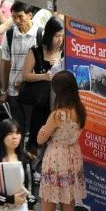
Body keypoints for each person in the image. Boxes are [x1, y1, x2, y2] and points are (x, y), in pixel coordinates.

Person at [37, 71, 87, 211]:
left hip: (56, 160)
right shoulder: (80, 110)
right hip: (73, 159)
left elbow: (41, 138)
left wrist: (43, 130)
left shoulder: (58, 115)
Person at [17, 16, 64, 150]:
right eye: (57, 36)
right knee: (38, 138)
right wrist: (44, 76)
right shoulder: (36, 51)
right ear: (49, 34)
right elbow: (25, 75)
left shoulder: (64, 52)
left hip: (59, 104)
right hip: (41, 104)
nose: (60, 40)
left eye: (62, 36)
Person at [0, 1, 40, 119]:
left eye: (20, 16)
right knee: (17, 125)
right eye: (13, 17)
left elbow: (46, 65)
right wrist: (4, 90)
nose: (17, 20)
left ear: (30, 15)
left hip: (33, 92)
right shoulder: (9, 35)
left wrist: (26, 83)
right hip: (14, 91)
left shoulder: (39, 34)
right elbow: (5, 64)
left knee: (32, 126)